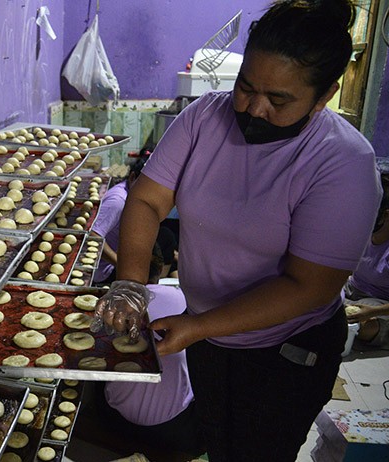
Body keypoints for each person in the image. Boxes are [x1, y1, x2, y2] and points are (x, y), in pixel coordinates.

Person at [94, 1, 382, 460]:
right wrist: (130, 281)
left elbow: (308, 287)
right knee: (219, 441)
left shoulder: (343, 163)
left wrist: (200, 325)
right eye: (245, 87)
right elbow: (147, 199)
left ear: (325, 94)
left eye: (280, 100)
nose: (254, 108)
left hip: (285, 352)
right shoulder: (204, 119)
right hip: (210, 336)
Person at [101, 245, 204, 457]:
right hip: (172, 428)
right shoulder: (182, 298)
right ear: (161, 271)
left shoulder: (108, 303)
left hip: (115, 418)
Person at [91, 156, 177, 284]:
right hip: (107, 270)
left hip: (122, 252)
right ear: (132, 177)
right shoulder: (118, 201)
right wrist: (121, 264)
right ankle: (152, 284)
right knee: (166, 238)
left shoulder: (131, 194)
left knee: (164, 236)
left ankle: (158, 282)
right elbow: (93, 236)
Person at [345, 171, 389, 347]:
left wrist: (372, 312)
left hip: (379, 302)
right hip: (353, 289)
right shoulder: (362, 234)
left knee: (365, 327)